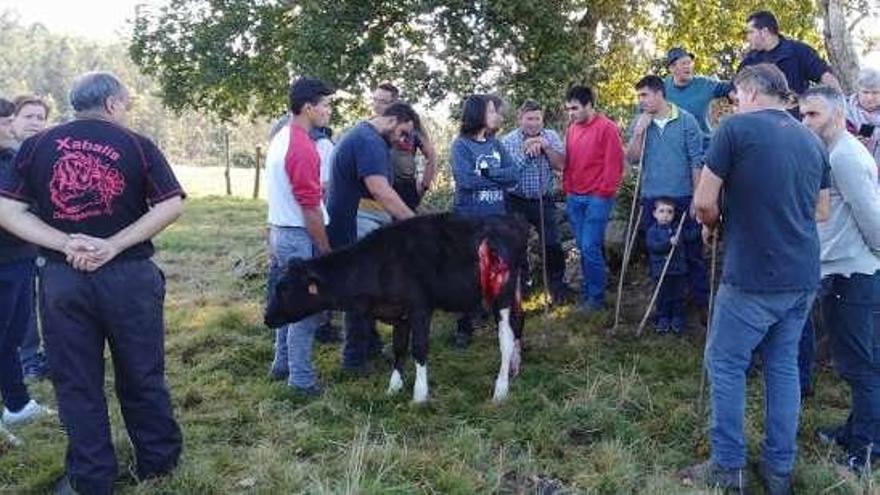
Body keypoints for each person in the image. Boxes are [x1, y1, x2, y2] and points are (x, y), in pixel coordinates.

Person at [0, 72, 185, 494]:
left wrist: (66, 244)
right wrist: (113, 246)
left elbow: (8, 212)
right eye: (126, 103)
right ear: (112, 104)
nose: (127, 110)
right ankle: (158, 465)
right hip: (129, 278)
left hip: (64, 278)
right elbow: (171, 204)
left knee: (76, 380)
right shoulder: (137, 144)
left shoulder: (36, 146)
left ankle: (91, 477)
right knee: (142, 372)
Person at [681, 64, 830, 494]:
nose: (734, 102)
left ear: (748, 93)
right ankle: (779, 469)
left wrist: (715, 222)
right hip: (802, 274)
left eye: (735, 96)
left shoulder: (735, 130)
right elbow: (821, 212)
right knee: (782, 365)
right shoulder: (811, 138)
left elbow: (703, 203)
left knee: (725, 362)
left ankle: (729, 467)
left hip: (752, 274)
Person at [801, 85, 880, 474]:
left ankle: (866, 449)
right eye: (803, 114)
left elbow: (872, 215)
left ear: (836, 115)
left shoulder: (845, 156)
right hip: (844, 269)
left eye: (813, 115)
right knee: (864, 362)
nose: (805, 121)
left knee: (859, 367)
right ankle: (855, 430)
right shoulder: (830, 152)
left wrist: (875, 260)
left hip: (853, 274)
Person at [326, 102, 417, 375]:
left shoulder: (366, 137)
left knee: (368, 287)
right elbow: (380, 190)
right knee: (360, 290)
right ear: (392, 120)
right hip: (356, 222)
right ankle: (354, 359)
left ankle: (371, 346)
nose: (403, 139)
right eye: (403, 132)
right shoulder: (368, 140)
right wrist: (414, 222)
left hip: (360, 219)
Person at [265, 77, 334, 395]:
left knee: (285, 300)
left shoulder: (280, 137)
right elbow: (310, 208)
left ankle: (281, 365)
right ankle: (302, 380)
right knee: (305, 310)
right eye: (326, 105)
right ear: (309, 108)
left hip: (280, 231)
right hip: (298, 234)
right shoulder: (302, 147)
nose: (329, 111)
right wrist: (325, 249)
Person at [626, 75, 708, 318]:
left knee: (691, 251)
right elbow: (631, 158)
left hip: (682, 197)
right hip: (652, 197)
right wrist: (639, 132)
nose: (641, 101)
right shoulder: (640, 122)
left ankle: (701, 303)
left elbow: (696, 161)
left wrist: (697, 197)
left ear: (660, 94)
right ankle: (663, 307)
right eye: (639, 96)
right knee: (657, 252)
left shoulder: (686, 120)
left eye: (644, 95)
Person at [450, 94, 521, 348]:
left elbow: (514, 174)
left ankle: (501, 324)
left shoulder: (495, 144)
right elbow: (465, 181)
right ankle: (464, 328)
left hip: (498, 220)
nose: (497, 115)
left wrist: (487, 171)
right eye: (492, 111)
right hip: (469, 221)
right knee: (467, 274)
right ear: (478, 114)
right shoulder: (461, 146)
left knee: (498, 273)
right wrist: (496, 177)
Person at [0, 97, 52, 433]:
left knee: (11, 338)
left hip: (20, 259)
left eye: (8, 121)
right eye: (5, 121)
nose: (9, 127)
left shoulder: (13, 158)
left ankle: (17, 405)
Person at [563, 85, 625, 313]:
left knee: (589, 246)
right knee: (583, 246)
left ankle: (596, 299)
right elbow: (569, 162)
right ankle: (590, 290)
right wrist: (568, 189)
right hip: (574, 197)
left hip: (597, 197)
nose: (571, 113)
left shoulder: (607, 128)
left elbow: (615, 165)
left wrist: (602, 193)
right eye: (568, 109)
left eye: (575, 108)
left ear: (589, 105)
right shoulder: (571, 129)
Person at [500, 99, 567, 303]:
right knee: (517, 245)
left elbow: (561, 165)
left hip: (543, 199)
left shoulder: (551, 136)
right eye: (529, 118)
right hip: (516, 199)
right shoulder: (508, 141)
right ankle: (522, 288)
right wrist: (525, 152)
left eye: (537, 118)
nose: (534, 123)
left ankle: (556, 288)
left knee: (553, 243)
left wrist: (546, 148)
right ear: (520, 119)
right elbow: (508, 175)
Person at [10, 95, 51, 382]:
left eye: (40, 117)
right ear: (13, 120)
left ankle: (54, 354)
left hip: (48, 239)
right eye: (29, 116)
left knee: (53, 299)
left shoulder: (49, 151)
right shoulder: (7, 155)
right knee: (22, 306)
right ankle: (28, 359)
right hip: (14, 246)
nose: (35, 122)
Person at [739, 10, 841, 116]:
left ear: (764, 32)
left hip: (795, 122)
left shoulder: (798, 51)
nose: (747, 37)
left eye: (750, 32)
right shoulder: (750, 61)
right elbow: (736, 90)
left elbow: (825, 76)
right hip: (760, 124)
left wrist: (840, 109)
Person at [369, 82, 437, 210]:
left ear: (394, 104)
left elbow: (431, 155)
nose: (377, 105)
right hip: (379, 187)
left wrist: (424, 186)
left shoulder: (411, 125)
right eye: (375, 100)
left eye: (383, 102)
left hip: (405, 189)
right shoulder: (368, 128)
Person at [663, 47, 734, 146]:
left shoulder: (704, 84)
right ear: (672, 68)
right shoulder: (662, 87)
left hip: (703, 146)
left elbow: (728, 88)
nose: (688, 66)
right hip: (675, 148)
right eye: (683, 63)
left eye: (689, 63)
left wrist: (734, 94)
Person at [645, 198, 689, 334]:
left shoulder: (677, 229)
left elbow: (683, 242)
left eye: (669, 212)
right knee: (662, 296)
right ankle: (663, 318)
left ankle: (677, 318)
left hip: (677, 270)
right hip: (660, 271)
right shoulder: (652, 231)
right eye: (662, 211)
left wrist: (677, 241)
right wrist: (668, 243)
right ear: (654, 213)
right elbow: (653, 247)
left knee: (678, 295)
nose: (665, 215)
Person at [845, 67, 880, 166]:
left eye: (875, 93)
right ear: (858, 91)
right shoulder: (846, 112)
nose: (870, 97)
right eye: (865, 92)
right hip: (856, 165)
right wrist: (855, 142)